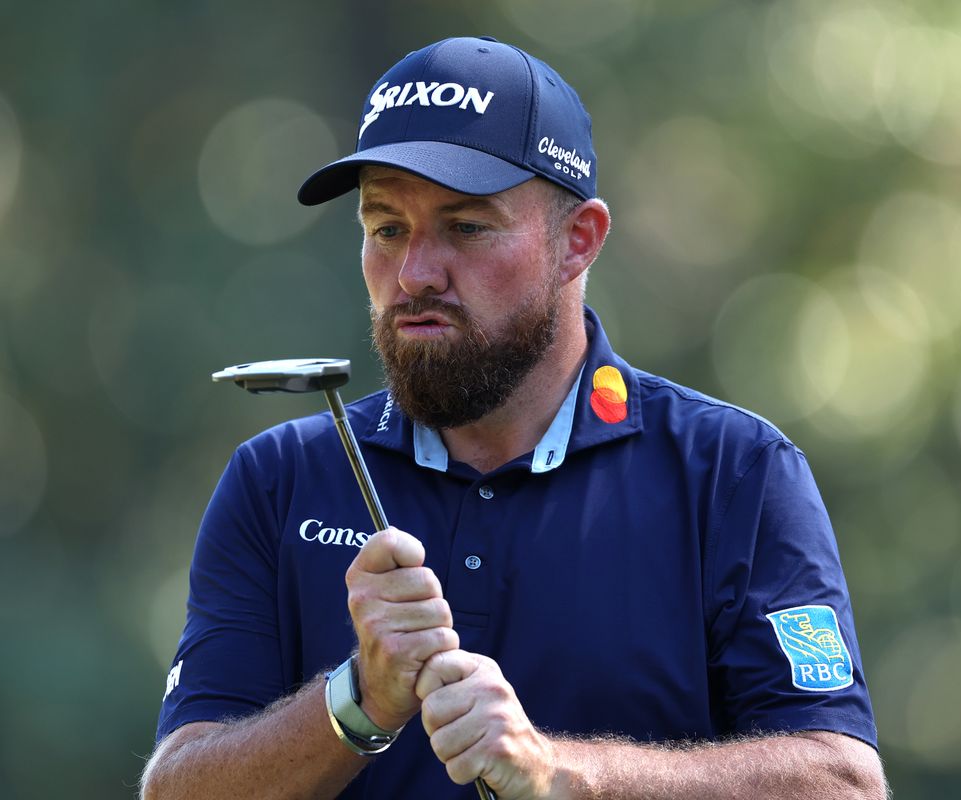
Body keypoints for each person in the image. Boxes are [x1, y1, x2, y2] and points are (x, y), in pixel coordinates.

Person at [141, 36, 886, 799]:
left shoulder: (734, 473)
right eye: (387, 227)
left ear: (578, 241)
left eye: (466, 227)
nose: (414, 275)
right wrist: (356, 701)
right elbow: (176, 788)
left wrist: (565, 774)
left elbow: (843, 784)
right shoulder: (279, 480)